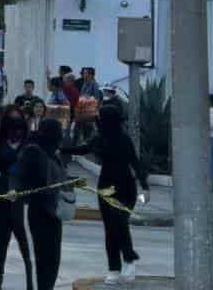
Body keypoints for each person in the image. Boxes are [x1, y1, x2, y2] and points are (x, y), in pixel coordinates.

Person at [61, 104, 148, 284]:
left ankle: (130, 259)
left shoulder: (124, 140)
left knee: (120, 223)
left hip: (125, 187)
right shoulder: (99, 138)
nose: (98, 120)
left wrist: (145, 186)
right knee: (110, 229)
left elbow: (135, 163)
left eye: (101, 117)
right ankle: (114, 269)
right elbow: (83, 149)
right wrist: (62, 149)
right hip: (105, 186)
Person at [10, 118, 67, 290]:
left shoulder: (51, 152)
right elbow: (15, 170)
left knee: (52, 260)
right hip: (41, 212)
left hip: (54, 212)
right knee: (46, 260)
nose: (61, 136)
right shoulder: (33, 150)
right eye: (59, 132)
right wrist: (14, 189)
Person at [0, 107, 28, 290]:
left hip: (20, 193)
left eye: (18, 121)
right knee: (2, 236)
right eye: (11, 122)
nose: (15, 127)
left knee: (21, 235)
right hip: (3, 190)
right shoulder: (0, 142)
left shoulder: (28, 143)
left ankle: (30, 275)